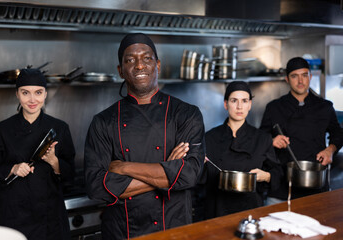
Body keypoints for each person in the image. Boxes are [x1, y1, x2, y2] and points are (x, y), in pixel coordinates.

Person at [84, 33, 205, 240]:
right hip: (122, 232)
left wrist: (123, 168)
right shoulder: (103, 121)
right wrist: (169, 171)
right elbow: (96, 186)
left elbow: (190, 174)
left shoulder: (186, 114)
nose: (139, 65)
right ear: (121, 71)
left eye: (147, 58)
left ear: (157, 64)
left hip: (174, 230)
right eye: (130, 60)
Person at [0, 69, 75, 240]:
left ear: (45, 94)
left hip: (51, 220)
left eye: (38, 92)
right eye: (25, 93)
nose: (32, 100)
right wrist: (12, 169)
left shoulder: (60, 128)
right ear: (17, 94)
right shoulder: (1, 130)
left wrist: (54, 162)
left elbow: (71, 176)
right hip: (15, 218)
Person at [260, 57, 343, 204]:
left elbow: (338, 133)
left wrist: (330, 150)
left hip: (316, 186)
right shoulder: (274, 108)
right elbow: (260, 138)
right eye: (294, 76)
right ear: (287, 79)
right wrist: (271, 141)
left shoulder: (325, 107)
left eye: (304, 75)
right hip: (281, 189)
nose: (300, 81)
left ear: (310, 77)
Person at [204, 81, 282, 218]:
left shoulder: (263, 138)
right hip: (216, 211)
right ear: (225, 104)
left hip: (251, 210)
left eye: (244, 101)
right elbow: (199, 181)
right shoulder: (209, 138)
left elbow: (277, 172)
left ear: (250, 105)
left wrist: (267, 176)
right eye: (234, 101)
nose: (239, 106)